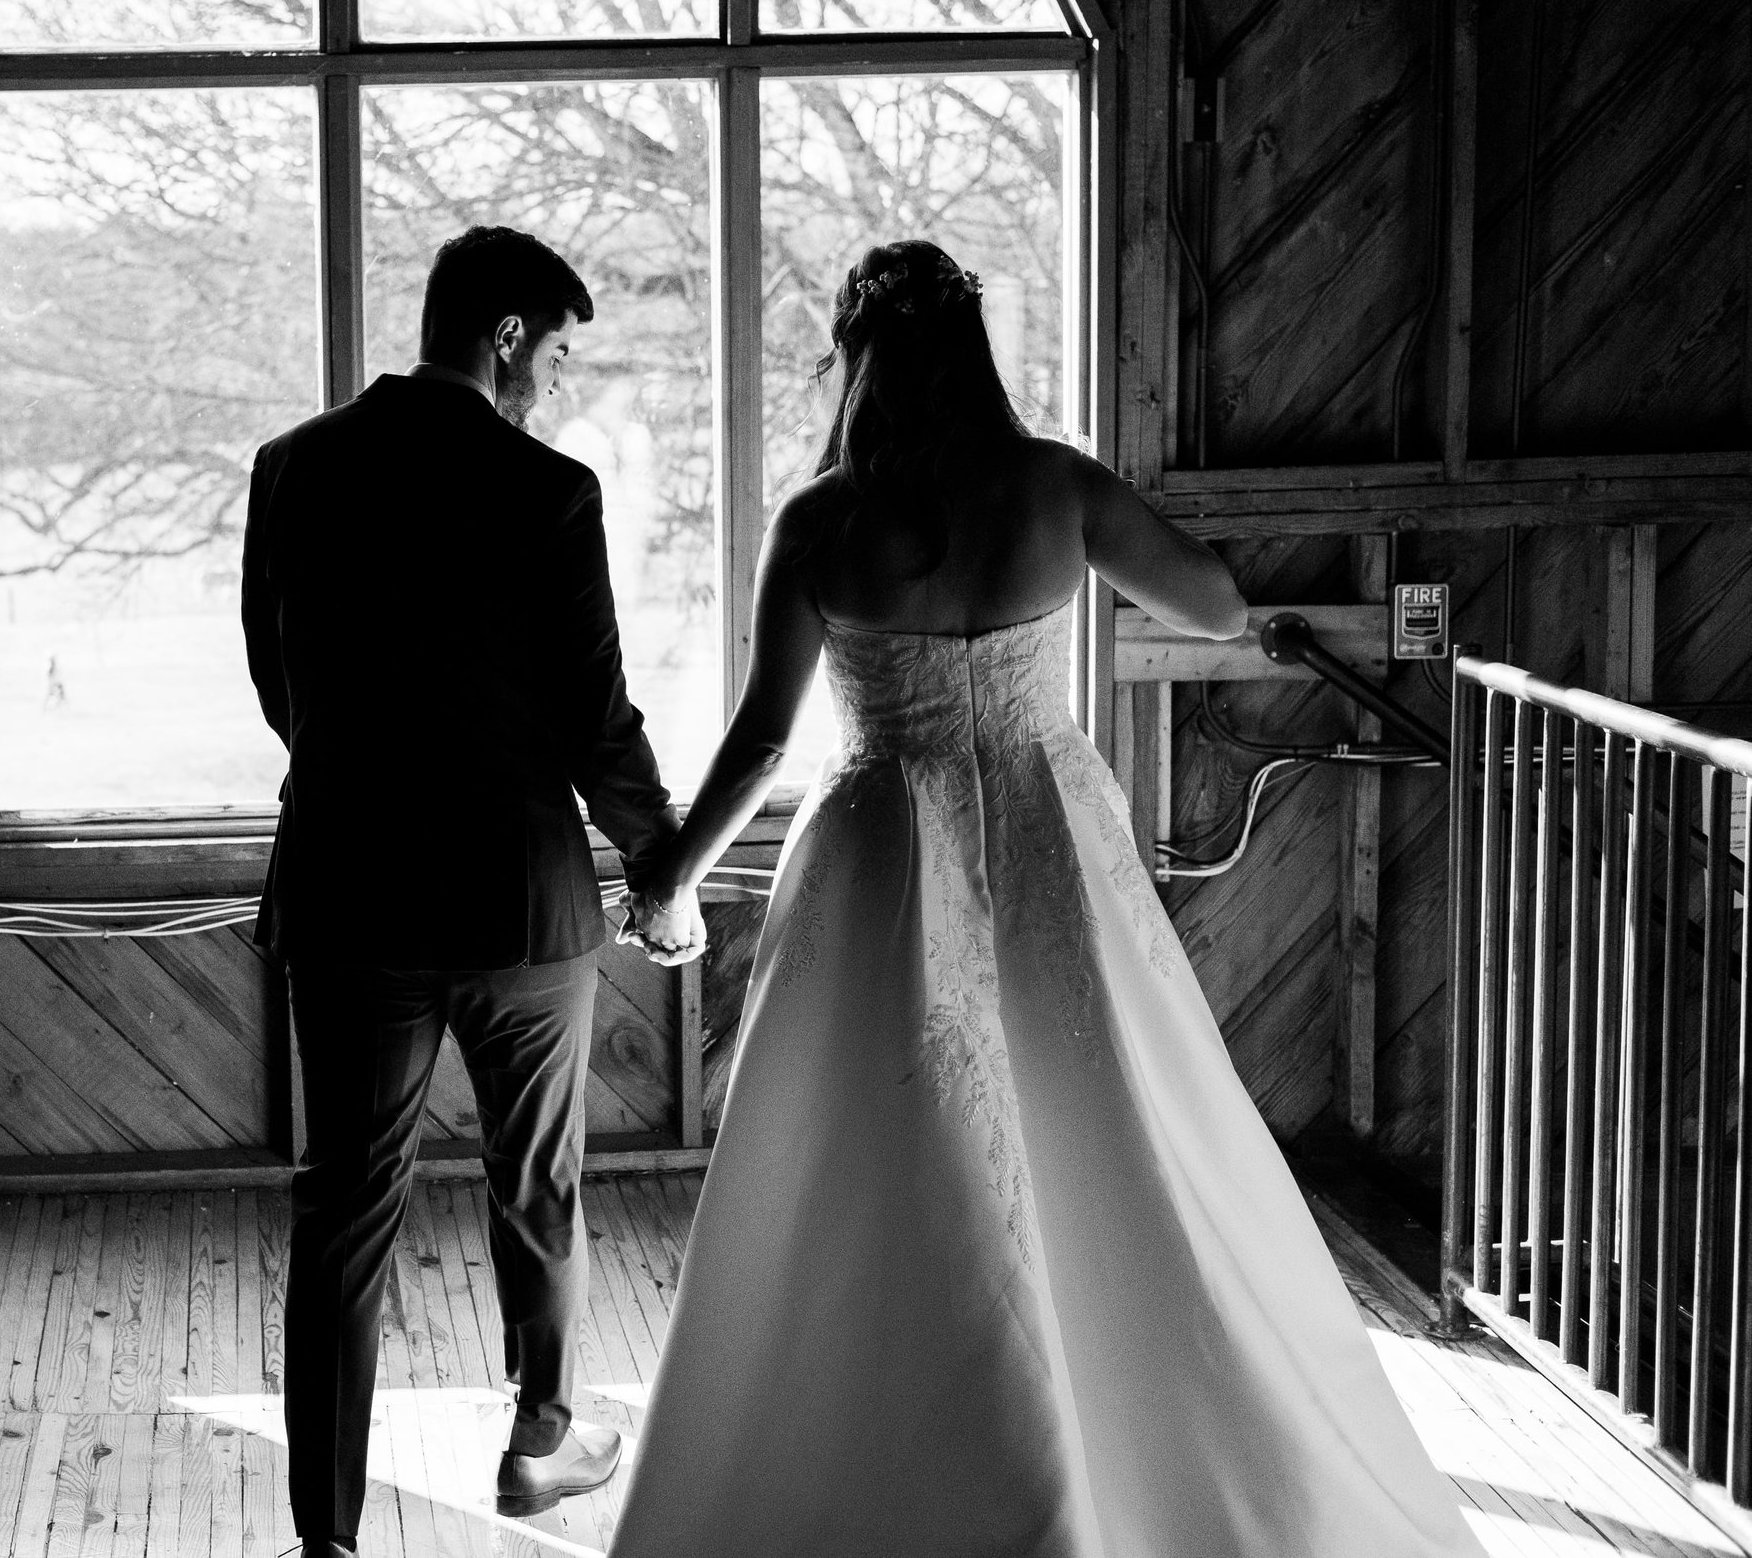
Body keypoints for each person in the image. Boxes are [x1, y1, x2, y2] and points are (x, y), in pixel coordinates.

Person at [607, 241, 1482, 1556]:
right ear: (974, 352)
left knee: (880, 1150)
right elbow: (1212, 602)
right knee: (1104, 1120)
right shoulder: (1056, 489)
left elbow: (759, 741)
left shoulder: (821, 520)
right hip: (1041, 824)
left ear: (858, 361)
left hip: (883, 843)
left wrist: (672, 874)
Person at [240, 226, 699, 1558]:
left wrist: (364, 775)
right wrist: (660, 860)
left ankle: (324, 1537)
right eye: (556, 352)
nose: (557, 384)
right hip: (519, 900)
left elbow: (283, 687)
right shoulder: (548, 490)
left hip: (350, 889)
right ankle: (539, 1441)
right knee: (538, 1179)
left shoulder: (293, 469)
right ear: (504, 336)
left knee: (342, 1208)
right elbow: (593, 716)